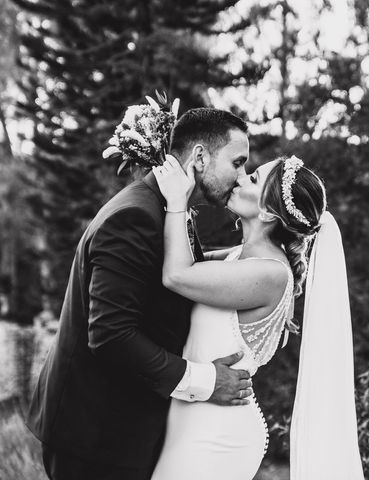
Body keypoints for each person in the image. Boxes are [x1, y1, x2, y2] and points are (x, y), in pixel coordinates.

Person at [26, 108, 255, 480]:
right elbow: (111, 335)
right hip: (96, 436)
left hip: (124, 427)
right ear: (199, 156)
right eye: (238, 162)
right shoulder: (134, 217)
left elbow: (183, 273)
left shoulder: (167, 212)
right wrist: (207, 382)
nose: (242, 177)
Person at [149, 154, 365, 479]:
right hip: (193, 416)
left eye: (252, 179)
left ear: (267, 211)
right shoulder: (238, 256)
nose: (239, 178)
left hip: (218, 432)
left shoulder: (271, 274)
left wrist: (177, 200)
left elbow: (177, 276)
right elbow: (177, 258)